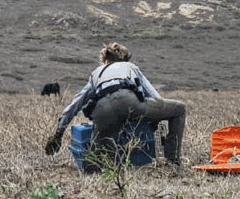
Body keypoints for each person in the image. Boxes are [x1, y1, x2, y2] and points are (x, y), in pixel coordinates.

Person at [44, 42, 186, 167]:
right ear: (124, 58)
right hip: (129, 102)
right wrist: (154, 118)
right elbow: (154, 96)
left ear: (105, 59)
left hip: (101, 112)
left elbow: (75, 104)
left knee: (97, 162)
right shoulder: (130, 66)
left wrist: (58, 134)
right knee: (179, 109)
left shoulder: (96, 73)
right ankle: (172, 161)